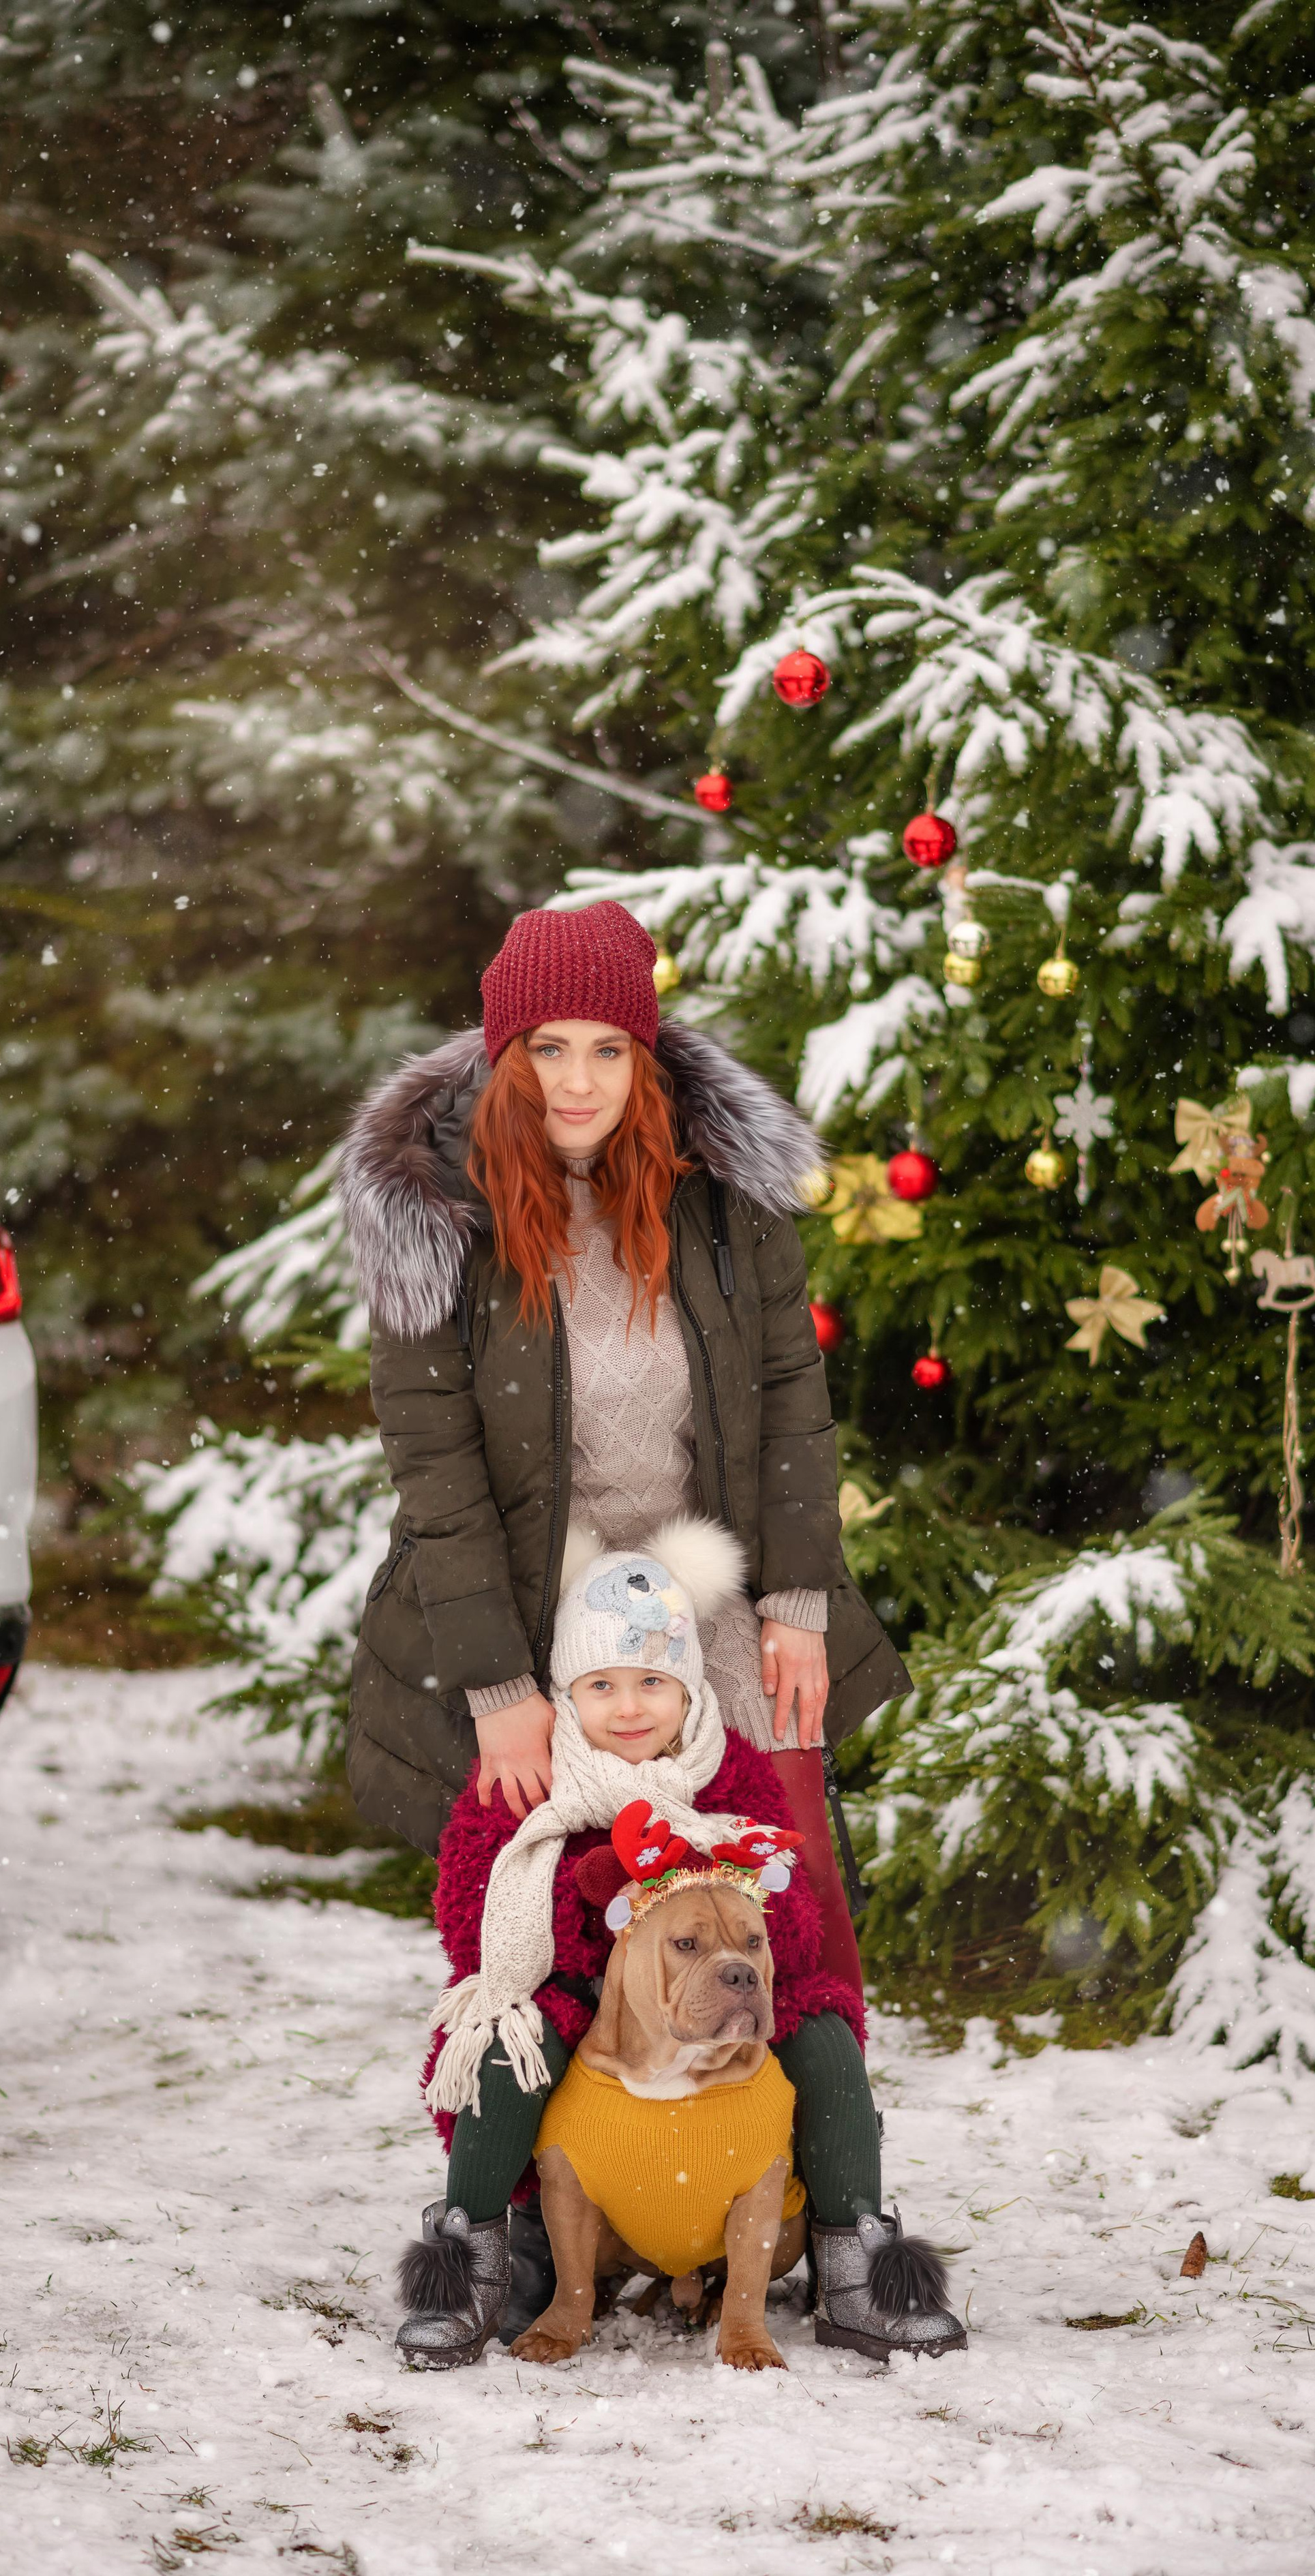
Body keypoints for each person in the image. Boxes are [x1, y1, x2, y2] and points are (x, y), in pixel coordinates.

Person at [340, 900, 954, 2357]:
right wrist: (498, 1686)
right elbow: (436, 1482)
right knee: (538, 1925)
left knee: (792, 1919)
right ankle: (499, 2227)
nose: (571, 1079)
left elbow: (790, 1409)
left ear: (645, 1054)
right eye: (542, 1047)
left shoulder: (722, 1202)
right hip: (532, 1612)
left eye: (602, 1047)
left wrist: (795, 1607)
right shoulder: (436, 1220)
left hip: (716, 1591)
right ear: (500, 1057)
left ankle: (839, 2222)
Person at [395, 1522, 962, 2367]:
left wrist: (719, 1894)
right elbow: (467, 1910)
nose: (629, 1708)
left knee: (827, 2035)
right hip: (568, 1988)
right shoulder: (528, 1773)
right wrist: (607, 1950)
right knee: (503, 2046)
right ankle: (472, 2260)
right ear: (565, 1695)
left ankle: (854, 2262)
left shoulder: (727, 1769)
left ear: (689, 1690)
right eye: (603, 1685)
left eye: (653, 1681)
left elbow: (792, 1923)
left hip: (711, 1981)